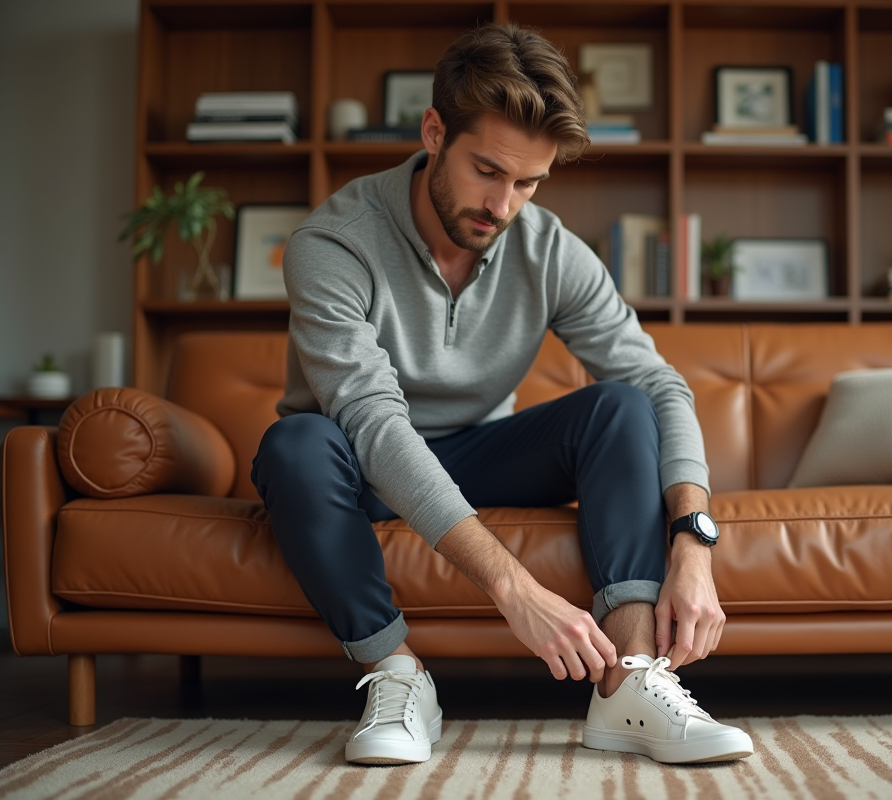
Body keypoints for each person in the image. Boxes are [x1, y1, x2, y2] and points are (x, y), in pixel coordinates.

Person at [251, 21, 753, 766]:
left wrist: (694, 540)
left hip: (479, 449)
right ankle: (395, 675)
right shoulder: (334, 244)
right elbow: (372, 420)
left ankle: (630, 685)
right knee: (293, 444)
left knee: (621, 405)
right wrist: (512, 586)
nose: (504, 205)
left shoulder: (548, 250)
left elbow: (658, 381)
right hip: (356, 462)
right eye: (488, 170)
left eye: (528, 182)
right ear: (433, 133)